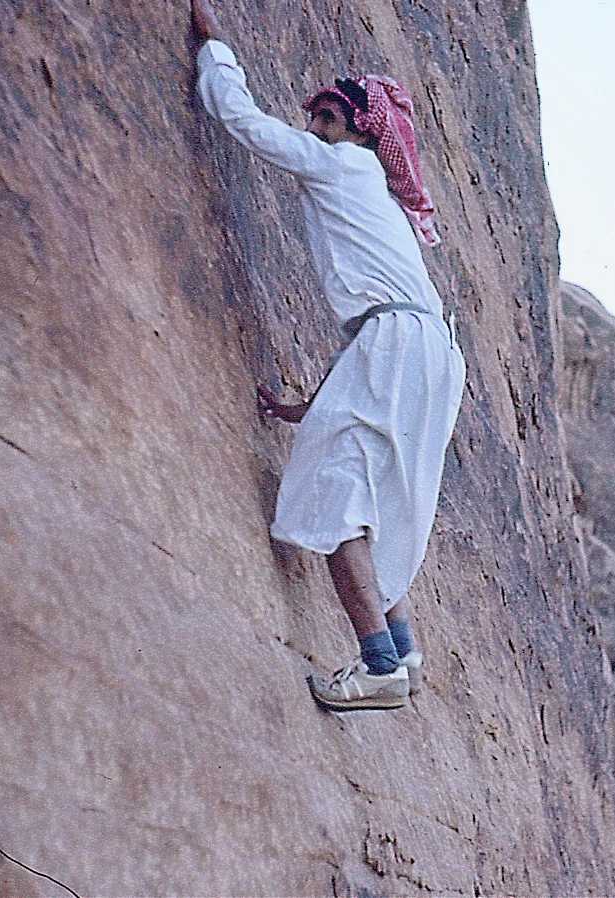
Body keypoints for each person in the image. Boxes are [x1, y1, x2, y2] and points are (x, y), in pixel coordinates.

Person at [191, 0, 465, 711]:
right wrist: (309, 404)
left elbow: (244, 125)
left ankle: (377, 666)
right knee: (383, 496)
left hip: (399, 342)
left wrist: (216, 50)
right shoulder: (379, 195)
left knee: (337, 495)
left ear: (358, 135)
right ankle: (401, 650)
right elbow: (376, 328)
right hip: (425, 349)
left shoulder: (344, 166)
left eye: (328, 120)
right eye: (313, 119)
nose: (315, 129)